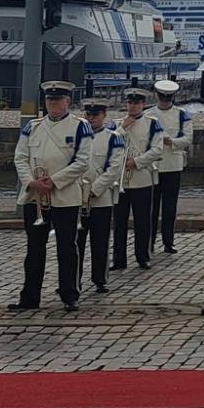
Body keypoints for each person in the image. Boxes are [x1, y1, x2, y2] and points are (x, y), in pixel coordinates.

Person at [12, 80, 93, 311]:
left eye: (58, 100)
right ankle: (29, 297)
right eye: (49, 99)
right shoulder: (33, 126)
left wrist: (54, 181)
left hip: (64, 195)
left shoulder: (80, 126)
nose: (53, 103)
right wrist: (31, 182)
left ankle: (69, 294)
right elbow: (20, 157)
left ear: (68, 101)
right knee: (34, 249)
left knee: (66, 247)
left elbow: (82, 162)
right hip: (35, 196)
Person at [115, 88, 164, 271]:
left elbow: (157, 149)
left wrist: (136, 161)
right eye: (129, 103)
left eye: (136, 103)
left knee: (143, 220)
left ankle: (143, 256)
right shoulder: (118, 124)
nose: (132, 106)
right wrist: (122, 128)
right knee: (119, 222)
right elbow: (109, 145)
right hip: (120, 180)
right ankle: (118, 259)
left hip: (141, 177)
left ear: (143, 104)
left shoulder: (153, 124)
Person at [81, 99, 125, 293]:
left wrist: (94, 189)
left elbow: (114, 169)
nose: (91, 119)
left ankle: (100, 279)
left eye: (95, 115)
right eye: (88, 115)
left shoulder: (114, 138)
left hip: (101, 197)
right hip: (77, 197)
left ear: (104, 116)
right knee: (76, 243)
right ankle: (73, 280)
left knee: (100, 241)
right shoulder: (77, 136)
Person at [150, 78, 193, 257]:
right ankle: (148, 241)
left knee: (170, 208)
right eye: (162, 97)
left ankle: (169, 242)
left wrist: (172, 141)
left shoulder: (183, 114)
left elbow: (188, 138)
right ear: (157, 96)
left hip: (173, 165)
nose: (164, 100)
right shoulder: (148, 115)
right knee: (151, 208)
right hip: (152, 166)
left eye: (167, 97)